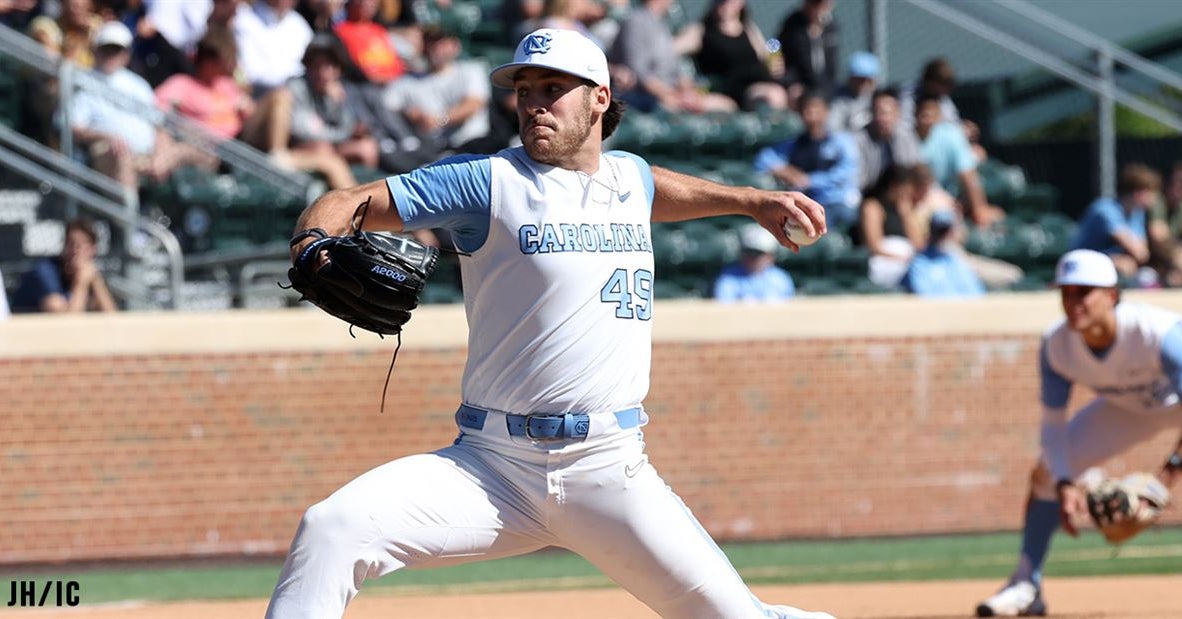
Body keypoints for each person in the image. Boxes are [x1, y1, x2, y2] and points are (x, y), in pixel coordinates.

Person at [268, 27, 833, 619]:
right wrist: (312, 241)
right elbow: (350, 199)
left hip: (608, 471)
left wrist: (750, 200)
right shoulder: (486, 181)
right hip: (492, 469)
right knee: (332, 528)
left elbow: (656, 189)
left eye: (553, 87)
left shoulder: (628, 180)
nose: (534, 102)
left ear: (599, 99)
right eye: (524, 90)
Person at [974, 248, 1182, 617]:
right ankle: (1026, 583)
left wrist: (1164, 480)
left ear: (1113, 295)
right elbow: (1053, 425)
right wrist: (1066, 483)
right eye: (1065, 293)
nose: (1073, 303)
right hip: (1128, 409)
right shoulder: (1057, 344)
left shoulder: (1160, 334)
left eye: (1084, 292)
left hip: (1173, 403)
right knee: (1045, 474)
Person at [69, 21, 217, 190]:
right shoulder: (84, 83)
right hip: (109, 153)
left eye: (116, 50)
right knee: (122, 157)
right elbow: (74, 126)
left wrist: (161, 154)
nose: (111, 55)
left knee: (203, 149)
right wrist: (107, 137)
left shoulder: (138, 85)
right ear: (97, 50)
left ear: (126, 54)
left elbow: (158, 125)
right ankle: (127, 215)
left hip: (147, 154)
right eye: (106, 49)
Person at [753, 91, 859, 231]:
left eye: (816, 108)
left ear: (826, 111)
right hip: (803, 204)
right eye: (807, 109)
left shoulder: (841, 142)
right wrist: (781, 169)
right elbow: (762, 160)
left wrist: (808, 180)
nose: (812, 114)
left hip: (835, 202)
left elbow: (846, 172)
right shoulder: (795, 143)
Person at [607, 0, 737, 114]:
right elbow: (639, 73)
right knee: (670, 110)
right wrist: (671, 95)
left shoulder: (662, 25)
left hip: (671, 94)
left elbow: (675, 72)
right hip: (645, 98)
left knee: (726, 105)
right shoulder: (636, 21)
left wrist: (688, 92)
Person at [913, 93, 1002, 227]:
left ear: (939, 116)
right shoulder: (906, 140)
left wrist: (979, 209)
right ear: (915, 115)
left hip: (953, 199)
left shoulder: (951, 135)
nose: (927, 120)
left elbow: (968, 175)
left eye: (931, 114)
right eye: (923, 114)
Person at [693, 0, 789, 111]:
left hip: (764, 81)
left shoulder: (749, 29)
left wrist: (774, 64)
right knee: (774, 95)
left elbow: (765, 55)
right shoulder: (701, 31)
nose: (726, 4)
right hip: (738, 90)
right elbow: (672, 48)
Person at [1071, 162, 1159, 281]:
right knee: (1125, 268)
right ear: (1138, 193)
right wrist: (1116, 260)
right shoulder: (1105, 210)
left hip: (1109, 263)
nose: (1154, 198)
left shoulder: (1137, 213)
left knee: (1147, 276)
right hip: (1080, 265)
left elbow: (1142, 254)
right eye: (1150, 192)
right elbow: (1138, 251)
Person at [10, 218, 117, 313]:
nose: (76, 251)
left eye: (82, 246)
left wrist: (96, 281)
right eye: (71, 244)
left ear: (93, 249)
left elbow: (112, 319)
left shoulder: (90, 273)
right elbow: (67, 322)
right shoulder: (45, 271)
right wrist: (81, 283)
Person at [900, 209, 985, 298]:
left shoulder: (958, 261)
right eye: (940, 231)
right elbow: (923, 297)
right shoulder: (919, 263)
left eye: (947, 231)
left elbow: (976, 294)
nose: (944, 236)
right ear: (931, 232)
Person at [854, 88, 922, 198]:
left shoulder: (906, 136)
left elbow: (914, 169)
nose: (882, 118)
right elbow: (861, 180)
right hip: (872, 194)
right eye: (877, 112)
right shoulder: (860, 139)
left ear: (897, 113)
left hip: (904, 193)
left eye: (886, 113)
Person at [714, 223, 795, 302]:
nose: (753, 258)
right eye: (749, 252)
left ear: (771, 256)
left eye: (759, 253)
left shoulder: (781, 278)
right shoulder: (728, 277)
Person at [775, 0, 838, 98]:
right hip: (799, 83)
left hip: (825, 84)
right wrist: (773, 60)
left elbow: (831, 66)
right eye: (816, 4)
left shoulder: (830, 27)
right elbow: (774, 45)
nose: (821, 9)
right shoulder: (793, 24)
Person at [828, 51, 879, 134]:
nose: (863, 83)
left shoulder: (879, 98)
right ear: (850, 79)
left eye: (867, 79)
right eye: (859, 79)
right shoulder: (839, 99)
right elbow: (833, 128)